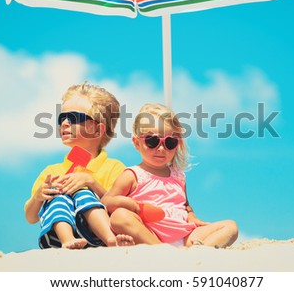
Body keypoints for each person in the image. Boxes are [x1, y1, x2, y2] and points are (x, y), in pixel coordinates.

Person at [102, 103, 238, 247]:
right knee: (119, 217)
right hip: (150, 234)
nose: (161, 148)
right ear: (137, 143)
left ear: (177, 144)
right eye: (152, 141)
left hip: (184, 234)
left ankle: (197, 252)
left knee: (231, 226)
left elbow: (186, 205)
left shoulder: (179, 177)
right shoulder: (132, 175)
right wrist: (127, 203)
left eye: (170, 142)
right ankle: (162, 249)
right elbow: (106, 202)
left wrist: (192, 216)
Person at [25, 82, 134, 249]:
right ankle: (67, 239)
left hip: (98, 239)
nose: (65, 123)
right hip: (56, 241)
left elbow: (120, 209)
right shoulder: (52, 171)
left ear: (98, 130)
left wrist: (91, 182)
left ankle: (111, 240)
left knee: (83, 193)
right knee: (57, 197)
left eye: (74, 118)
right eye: (62, 118)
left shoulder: (115, 168)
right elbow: (31, 217)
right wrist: (39, 197)